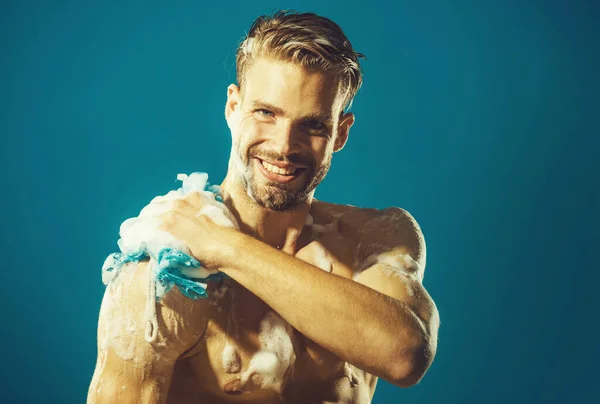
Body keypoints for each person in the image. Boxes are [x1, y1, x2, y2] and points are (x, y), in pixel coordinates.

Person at [88, 10, 440, 404]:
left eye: (312, 125)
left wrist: (225, 246)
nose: (284, 146)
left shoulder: (375, 238)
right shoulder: (169, 266)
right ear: (233, 107)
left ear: (340, 132)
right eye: (266, 113)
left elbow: (406, 355)